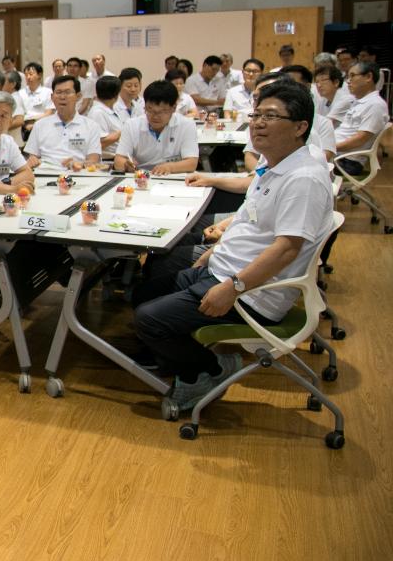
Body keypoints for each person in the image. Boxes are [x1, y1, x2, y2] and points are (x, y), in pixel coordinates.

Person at [131, 80, 333, 408]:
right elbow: (251, 221)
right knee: (145, 291)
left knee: (148, 319)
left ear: (300, 127)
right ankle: (182, 361)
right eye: (256, 115)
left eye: (271, 116)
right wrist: (214, 250)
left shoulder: (304, 179)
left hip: (251, 292)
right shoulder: (274, 166)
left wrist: (233, 288)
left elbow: (287, 249)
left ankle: (209, 372)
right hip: (224, 268)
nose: (258, 123)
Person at [114, 80, 200, 175]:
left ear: (174, 108)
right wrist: (126, 165)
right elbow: (119, 160)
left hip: (173, 177)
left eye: (162, 111)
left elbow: (191, 163)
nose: (155, 116)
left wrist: (169, 167)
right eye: (150, 110)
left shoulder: (187, 125)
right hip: (141, 177)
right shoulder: (131, 125)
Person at [24, 75, 103, 170]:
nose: (62, 97)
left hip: (78, 175)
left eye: (67, 92)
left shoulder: (91, 126)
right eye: (58, 92)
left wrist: (80, 165)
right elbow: (32, 156)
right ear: (52, 97)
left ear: (78, 96)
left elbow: (93, 161)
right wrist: (32, 160)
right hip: (46, 174)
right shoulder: (40, 125)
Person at [333, 60, 390, 174]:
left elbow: (360, 139)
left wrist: (329, 148)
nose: (348, 81)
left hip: (346, 161)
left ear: (368, 77)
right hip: (337, 155)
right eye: (347, 77)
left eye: (352, 76)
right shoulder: (359, 102)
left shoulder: (375, 104)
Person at [87, 76, 124, 158]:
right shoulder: (98, 112)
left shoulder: (110, 110)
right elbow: (100, 142)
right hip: (107, 161)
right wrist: (124, 132)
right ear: (116, 94)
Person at [20, 62, 53, 129]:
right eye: (26, 75)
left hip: (43, 126)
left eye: (31, 74)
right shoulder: (20, 93)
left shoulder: (48, 92)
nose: (28, 77)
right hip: (24, 127)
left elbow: (49, 113)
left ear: (39, 75)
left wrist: (32, 122)